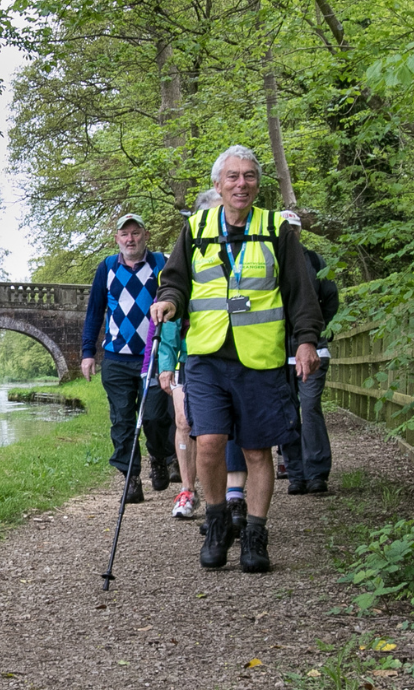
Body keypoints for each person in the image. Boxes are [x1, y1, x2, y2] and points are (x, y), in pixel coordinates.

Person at [151, 145, 324, 573]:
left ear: (258, 184)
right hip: (207, 355)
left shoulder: (277, 230)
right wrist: (169, 302)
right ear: (218, 185)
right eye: (232, 177)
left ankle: (255, 533)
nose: (241, 184)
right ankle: (216, 522)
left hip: (260, 357)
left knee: (256, 450)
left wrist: (306, 341)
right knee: (208, 443)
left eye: (248, 176)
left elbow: (301, 291)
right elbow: (174, 280)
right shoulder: (196, 227)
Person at [81, 213, 172, 503]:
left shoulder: (161, 263)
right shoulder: (106, 267)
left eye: (135, 233)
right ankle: (131, 478)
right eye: (125, 234)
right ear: (117, 239)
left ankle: (159, 457)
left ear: (145, 235)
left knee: (156, 417)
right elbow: (94, 312)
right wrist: (87, 353)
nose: (130, 239)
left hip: (154, 357)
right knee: (122, 420)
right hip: (116, 358)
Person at [159, 188, 222, 520]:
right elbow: (170, 313)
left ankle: (229, 494)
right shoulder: (186, 251)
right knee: (183, 422)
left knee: (221, 429)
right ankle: (187, 490)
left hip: (229, 353)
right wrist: (166, 363)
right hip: (188, 355)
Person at [278, 210, 340, 495]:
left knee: (310, 407)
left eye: (294, 228)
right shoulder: (269, 263)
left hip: (314, 349)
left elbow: (330, 297)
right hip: (277, 351)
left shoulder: (314, 261)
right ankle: (295, 472)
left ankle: (317, 472)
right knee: (287, 411)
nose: (290, 233)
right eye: (285, 228)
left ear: (300, 231)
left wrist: (314, 333)